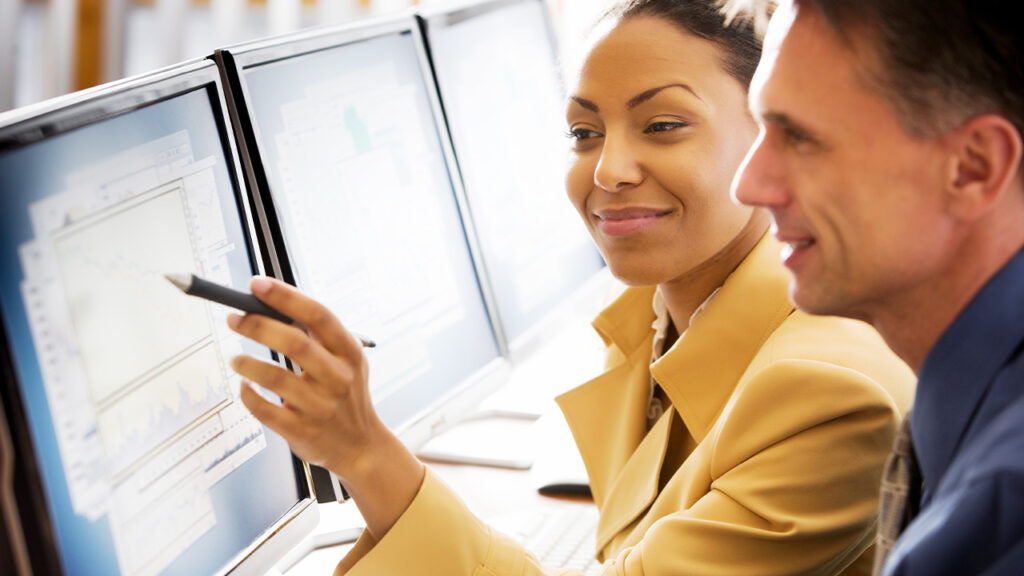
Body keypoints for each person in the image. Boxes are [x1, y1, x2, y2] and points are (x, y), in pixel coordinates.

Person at [226, 0, 914, 574]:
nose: (608, 168)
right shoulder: (659, 308)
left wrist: (365, 452)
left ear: (770, 136)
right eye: (584, 132)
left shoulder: (829, 393)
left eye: (663, 125)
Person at [728, 0, 1024, 573]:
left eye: (800, 137)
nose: (749, 184)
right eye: (763, 126)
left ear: (974, 168)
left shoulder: (991, 529)